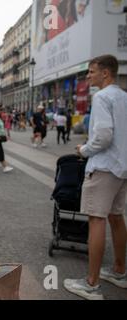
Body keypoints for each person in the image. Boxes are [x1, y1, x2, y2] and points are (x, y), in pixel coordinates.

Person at [64, 55, 127, 300]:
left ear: (106, 73)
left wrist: (84, 150)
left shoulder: (101, 97)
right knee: (116, 217)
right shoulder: (124, 96)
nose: (88, 76)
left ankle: (91, 284)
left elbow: (103, 135)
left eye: (91, 72)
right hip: (122, 167)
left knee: (96, 220)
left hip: (103, 166)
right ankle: (120, 271)